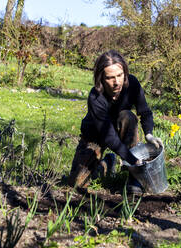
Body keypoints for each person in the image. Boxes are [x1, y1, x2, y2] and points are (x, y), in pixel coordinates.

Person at [67, 50, 163, 194]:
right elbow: (109, 137)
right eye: (110, 78)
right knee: (77, 184)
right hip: (95, 135)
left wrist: (149, 134)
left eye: (120, 75)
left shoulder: (133, 84)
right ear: (101, 78)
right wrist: (133, 159)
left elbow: (145, 112)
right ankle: (106, 164)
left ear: (125, 72)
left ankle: (134, 178)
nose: (116, 82)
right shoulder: (95, 97)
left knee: (128, 117)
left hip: (122, 128)